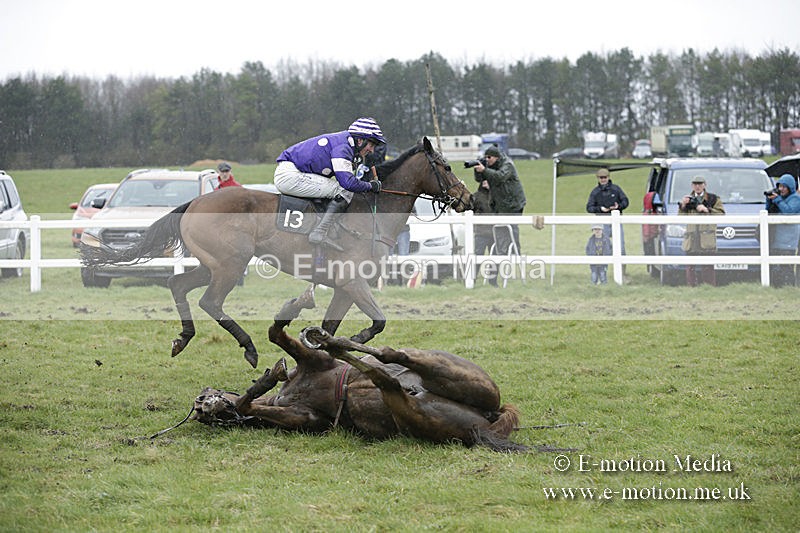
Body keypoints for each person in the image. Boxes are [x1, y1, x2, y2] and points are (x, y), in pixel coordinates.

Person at [273, 117, 385, 252]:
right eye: (371, 145)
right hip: (290, 175)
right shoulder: (343, 147)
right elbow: (347, 183)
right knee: (344, 192)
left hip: (293, 173)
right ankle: (319, 232)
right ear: (360, 140)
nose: (371, 150)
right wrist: (370, 186)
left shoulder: (344, 143)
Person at [472, 145, 526, 256]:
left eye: (489, 157)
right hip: (500, 204)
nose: (487, 160)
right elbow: (480, 179)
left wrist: (485, 170)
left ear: (496, 157)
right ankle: (502, 253)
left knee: (511, 227)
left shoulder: (507, 164)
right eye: (485, 157)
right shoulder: (491, 166)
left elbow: (500, 177)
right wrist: (478, 170)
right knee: (500, 229)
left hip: (514, 203)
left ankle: (516, 252)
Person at [678, 176, 725, 286]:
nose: (697, 186)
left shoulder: (713, 199)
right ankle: (691, 287)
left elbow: (721, 214)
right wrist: (683, 206)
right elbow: (680, 217)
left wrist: (707, 210)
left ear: (705, 185)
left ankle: (709, 287)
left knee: (708, 266)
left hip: (706, 237)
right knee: (690, 267)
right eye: (695, 184)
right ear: (692, 185)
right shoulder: (688, 199)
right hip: (692, 236)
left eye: (700, 184)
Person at [586, 167, 629, 261]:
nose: (603, 179)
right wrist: (600, 209)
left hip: (616, 221)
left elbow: (625, 202)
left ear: (608, 177)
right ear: (598, 178)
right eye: (601, 178)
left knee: (620, 246)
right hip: (602, 222)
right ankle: (602, 270)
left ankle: (622, 270)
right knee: (602, 247)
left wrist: (618, 207)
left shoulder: (616, 189)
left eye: (605, 177)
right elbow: (589, 207)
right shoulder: (595, 192)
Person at [765, 173, 800, 287]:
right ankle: (776, 286)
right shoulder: (780, 199)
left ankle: (789, 286)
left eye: (784, 187)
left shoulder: (795, 198)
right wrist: (769, 200)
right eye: (779, 186)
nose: (781, 189)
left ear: (790, 187)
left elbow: (788, 212)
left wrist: (778, 200)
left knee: (787, 266)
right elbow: (768, 212)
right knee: (775, 266)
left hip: (788, 240)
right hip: (776, 238)